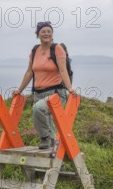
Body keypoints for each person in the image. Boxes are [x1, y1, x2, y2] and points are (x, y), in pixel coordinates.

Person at [13, 21, 76, 149]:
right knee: (48, 123)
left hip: (55, 93)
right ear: (38, 34)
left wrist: (69, 88)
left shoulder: (57, 49)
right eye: (43, 31)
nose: (46, 33)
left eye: (49, 31)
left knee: (37, 109)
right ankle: (55, 160)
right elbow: (29, 72)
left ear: (52, 34)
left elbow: (63, 70)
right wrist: (19, 89)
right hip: (38, 94)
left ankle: (44, 139)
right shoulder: (34, 50)